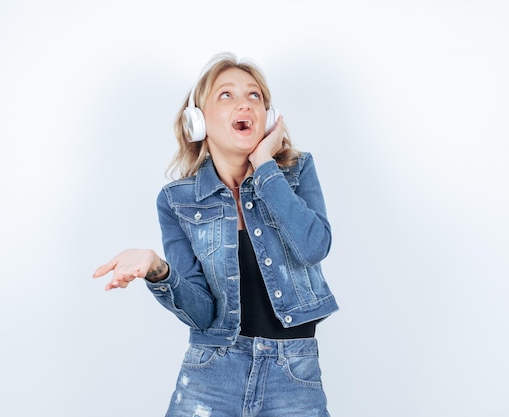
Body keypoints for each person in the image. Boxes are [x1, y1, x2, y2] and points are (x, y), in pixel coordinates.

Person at [93, 52, 339, 416]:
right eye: (227, 95)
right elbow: (203, 313)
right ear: (198, 121)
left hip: (294, 374)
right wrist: (158, 269)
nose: (245, 103)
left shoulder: (295, 172)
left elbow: (314, 246)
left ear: (268, 118)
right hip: (212, 374)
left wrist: (265, 168)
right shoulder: (176, 201)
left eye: (254, 95)